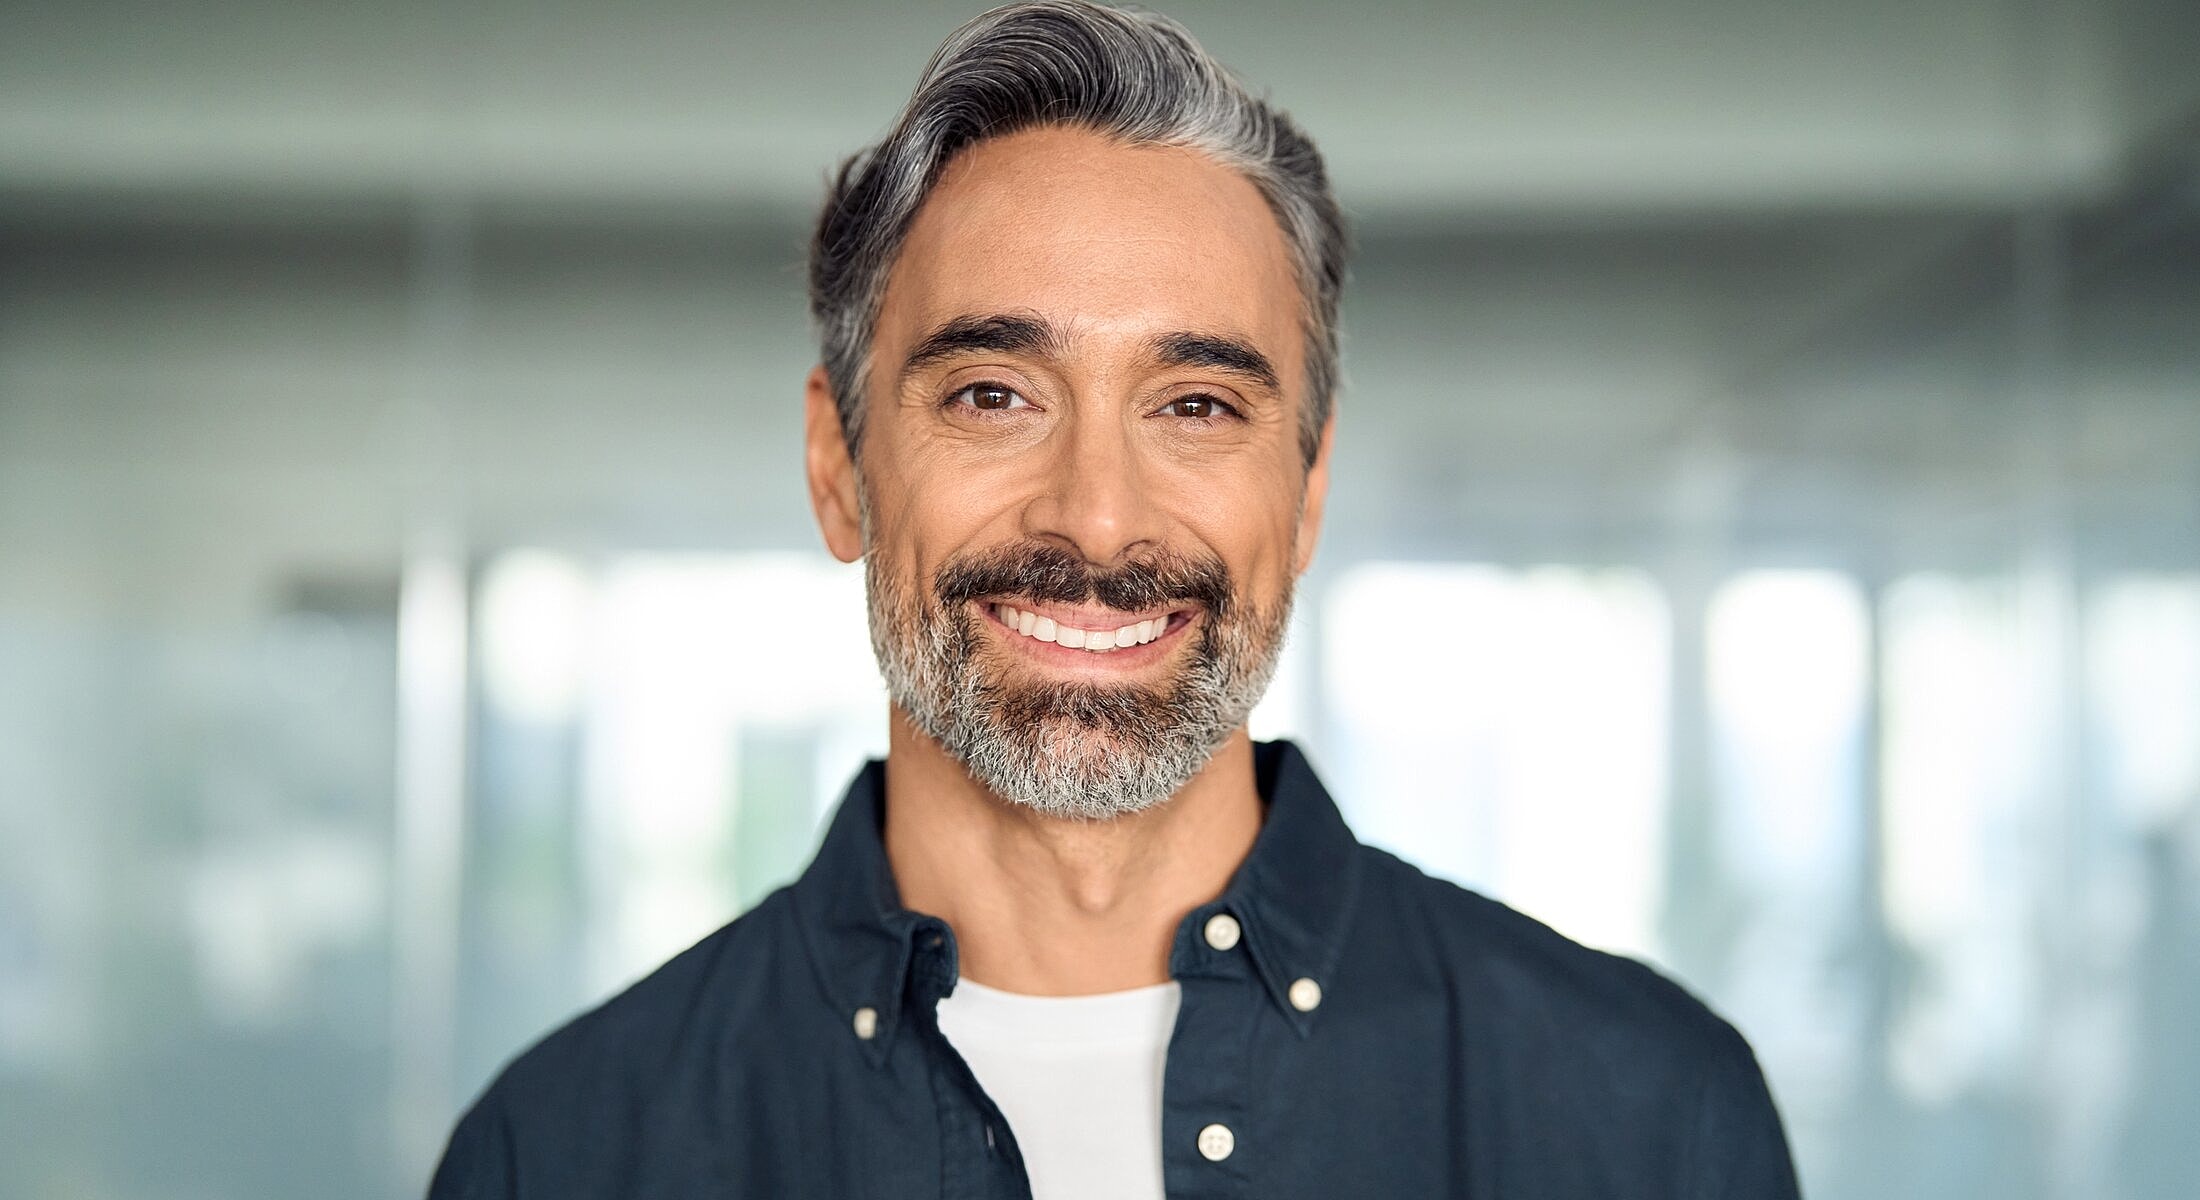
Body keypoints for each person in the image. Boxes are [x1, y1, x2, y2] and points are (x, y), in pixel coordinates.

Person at [428, 2, 1801, 1196]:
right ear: (839, 469)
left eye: (1196, 405)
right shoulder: (562, 1154)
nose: (1096, 516)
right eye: (993, 395)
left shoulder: (1647, 1119)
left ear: (1308, 491)